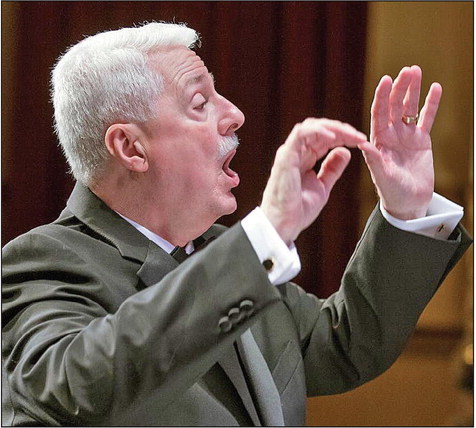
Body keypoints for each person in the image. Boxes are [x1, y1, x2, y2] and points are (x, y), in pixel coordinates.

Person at [2, 22, 471, 426]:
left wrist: (406, 211)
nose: (234, 115)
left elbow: (345, 344)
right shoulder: (43, 262)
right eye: (200, 102)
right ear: (130, 148)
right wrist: (265, 235)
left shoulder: (217, 250)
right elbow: (78, 386)